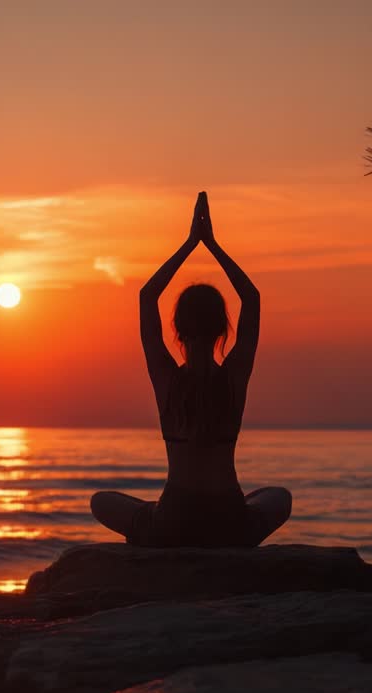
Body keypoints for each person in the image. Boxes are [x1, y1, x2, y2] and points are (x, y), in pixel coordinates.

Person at [90, 191, 292, 548]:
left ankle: (153, 526)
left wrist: (189, 245)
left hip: (174, 521)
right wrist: (211, 244)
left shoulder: (167, 380)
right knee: (278, 497)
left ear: (178, 330)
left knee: (101, 501)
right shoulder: (233, 379)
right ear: (221, 330)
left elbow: (147, 296)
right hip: (229, 519)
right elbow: (253, 298)